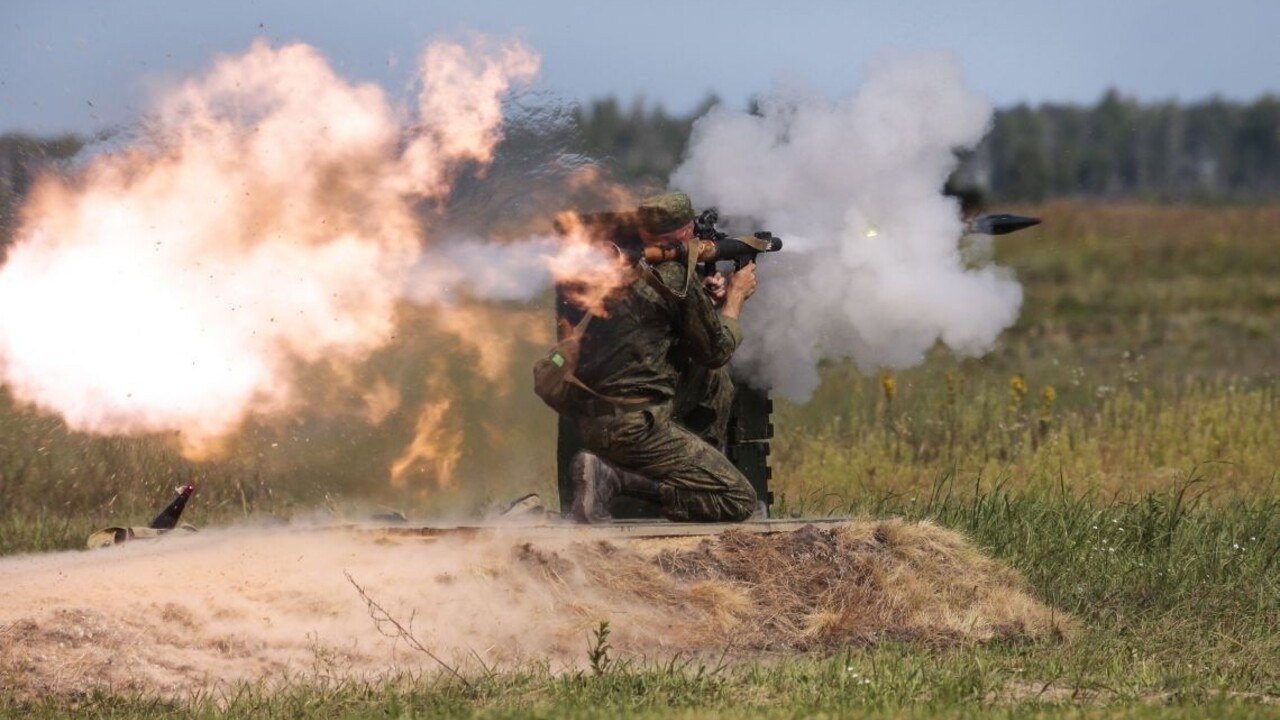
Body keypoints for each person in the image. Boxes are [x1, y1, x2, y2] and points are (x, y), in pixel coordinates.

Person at [568, 192, 758, 523]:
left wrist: (706, 303)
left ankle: (698, 466)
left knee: (711, 379)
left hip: (592, 419)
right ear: (687, 232)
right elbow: (718, 351)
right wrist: (735, 299)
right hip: (637, 425)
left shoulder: (620, 270)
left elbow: (654, 332)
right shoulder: (674, 277)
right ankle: (614, 478)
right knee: (738, 499)